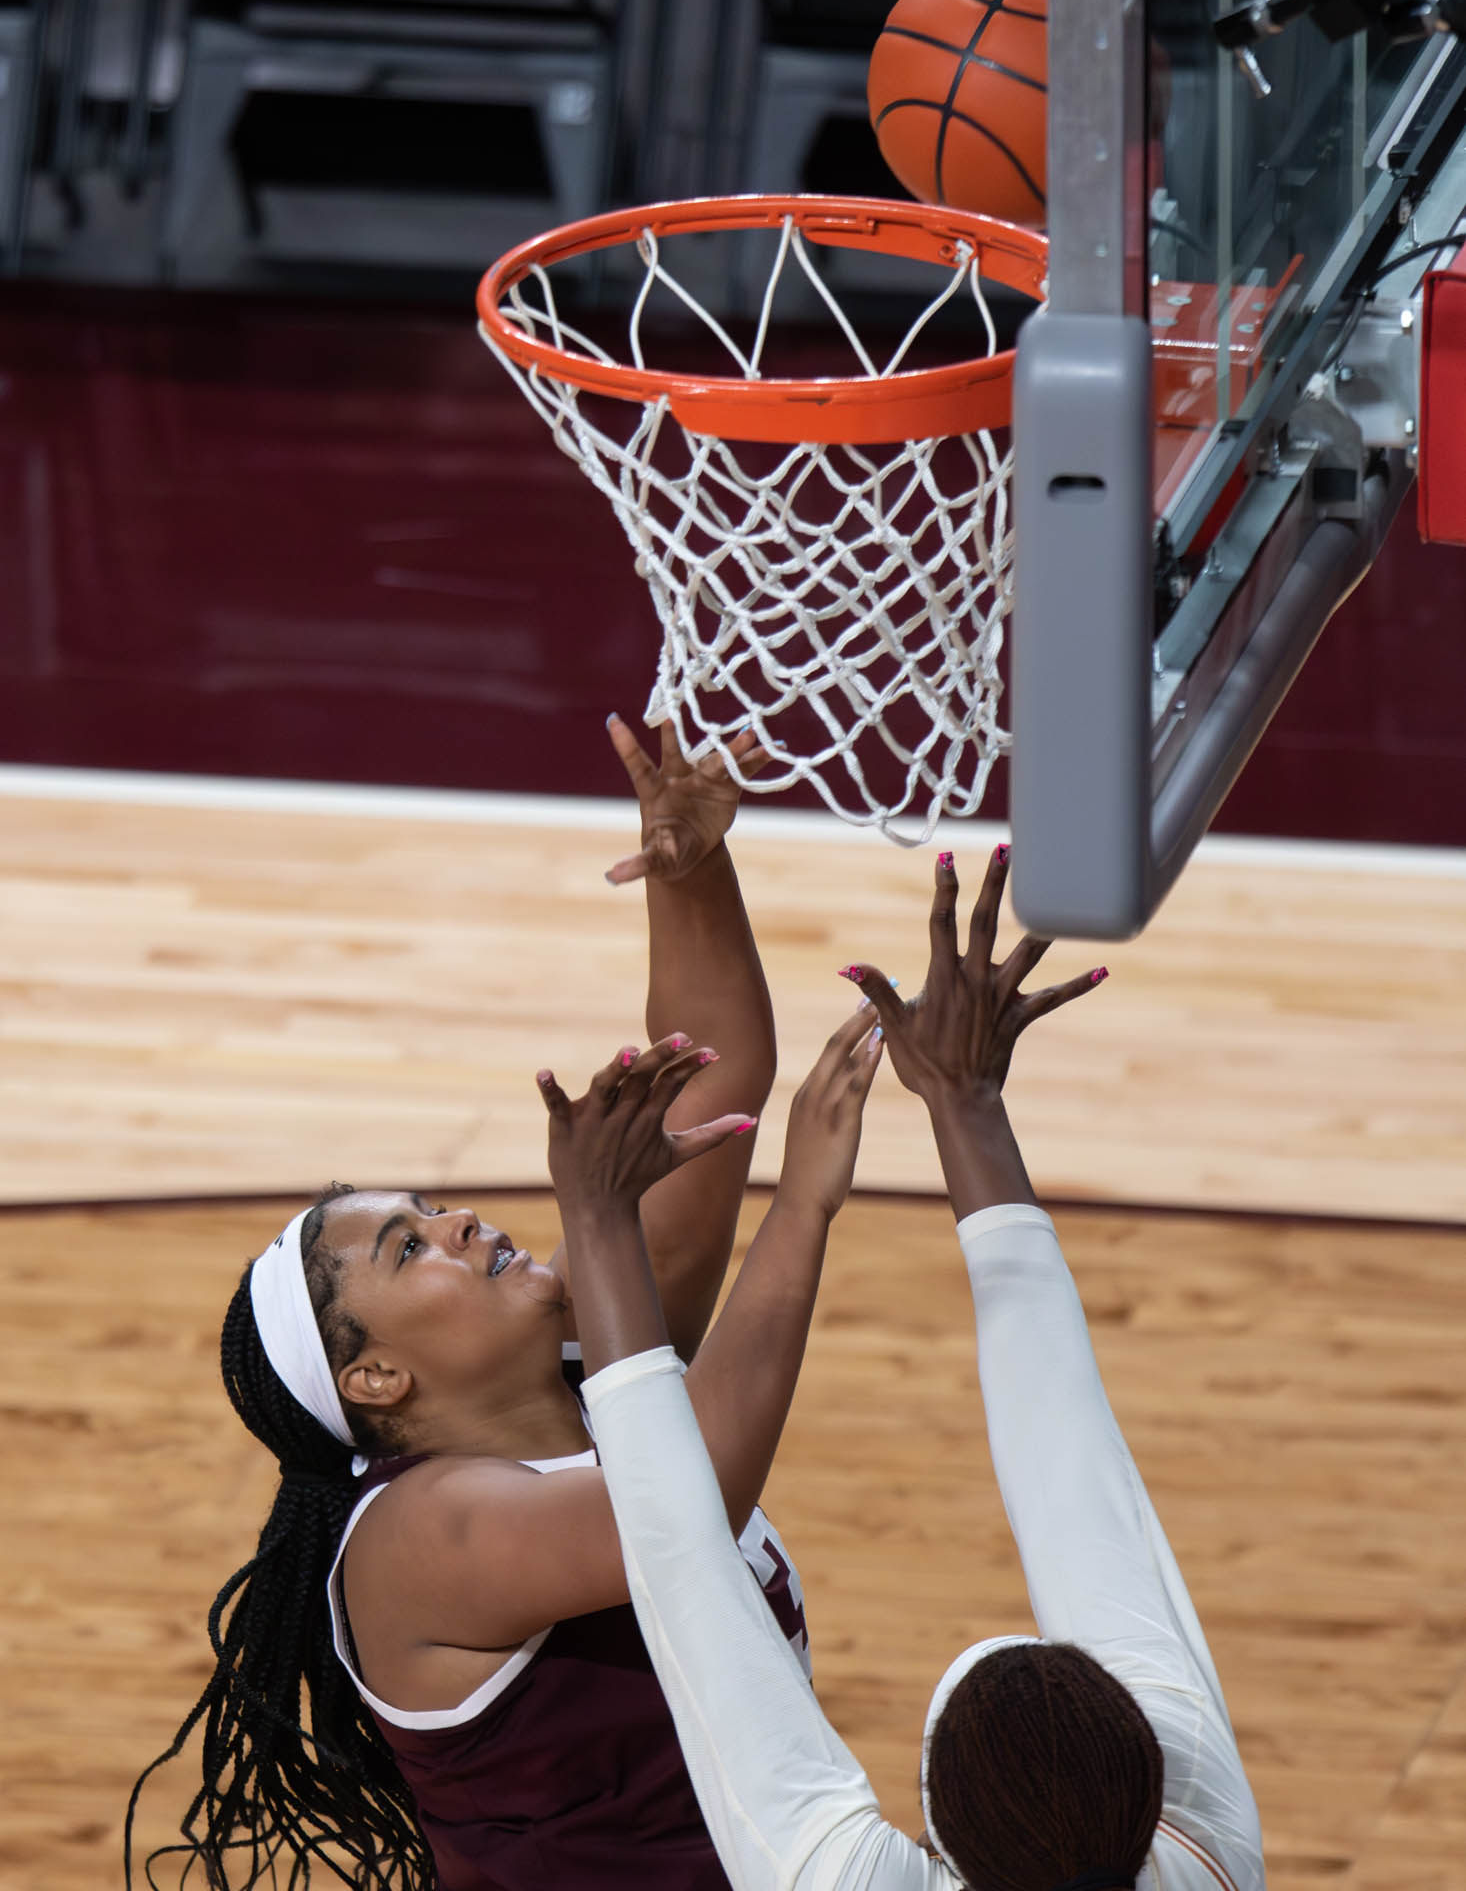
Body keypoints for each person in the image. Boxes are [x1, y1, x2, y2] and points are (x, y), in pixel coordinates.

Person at [125, 717, 854, 1890]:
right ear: (373, 1377)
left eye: (428, 1207)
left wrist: (689, 866)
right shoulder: (417, 1541)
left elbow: (708, 1075)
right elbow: (689, 1496)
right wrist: (800, 1208)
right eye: (411, 1246)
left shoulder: (587, 1351)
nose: (460, 1223)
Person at [542, 845, 1268, 1891]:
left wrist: (603, 1216)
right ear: (1144, 1780)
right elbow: (681, 1556)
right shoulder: (1195, 1843)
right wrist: (965, 1102)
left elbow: (678, 1564)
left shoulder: (1200, 1829)